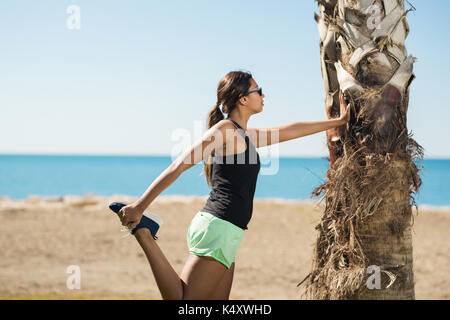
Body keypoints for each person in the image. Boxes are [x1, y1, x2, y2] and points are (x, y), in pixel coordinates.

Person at [114, 70, 351, 300]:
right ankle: (144, 233)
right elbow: (179, 165)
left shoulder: (245, 135)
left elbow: (290, 130)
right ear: (243, 99)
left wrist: (337, 122)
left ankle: (144, 230)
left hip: (230, 231)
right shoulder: (225, 130)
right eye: (259, 90)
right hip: (218, 227)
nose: (263, 95)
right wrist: (140, 206)